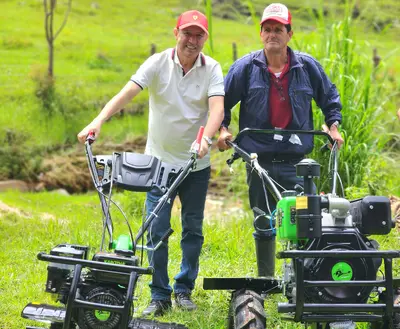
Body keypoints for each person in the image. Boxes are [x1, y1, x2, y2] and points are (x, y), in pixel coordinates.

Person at [77, 10, 224, 316]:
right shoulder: (158, 63)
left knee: (193, 229)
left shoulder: (212, 68)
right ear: (176, 33)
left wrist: (206, 139)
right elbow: (128, 93)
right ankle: (159, 295)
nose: (192, 41)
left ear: (205, 39)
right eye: (188, 34)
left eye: (199, 36)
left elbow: (217, 109)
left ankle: (184, 289)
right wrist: (98, 120)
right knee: (156, 229)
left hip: (196, 166)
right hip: (158, 167)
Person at [217, 3, 344, 237]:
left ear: (289, 34)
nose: (272, 34)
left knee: (308, 220)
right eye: (267, 29)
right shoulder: (245, 68)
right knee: (264, 223)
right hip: (257, 159)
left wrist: (333, 127)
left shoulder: (307, 67)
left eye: (278, 29)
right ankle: (266, 274)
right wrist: (223, 129)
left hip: (295, 160)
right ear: (261, 34)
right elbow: (221, 102)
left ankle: (306, 271)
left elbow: (329, 97)